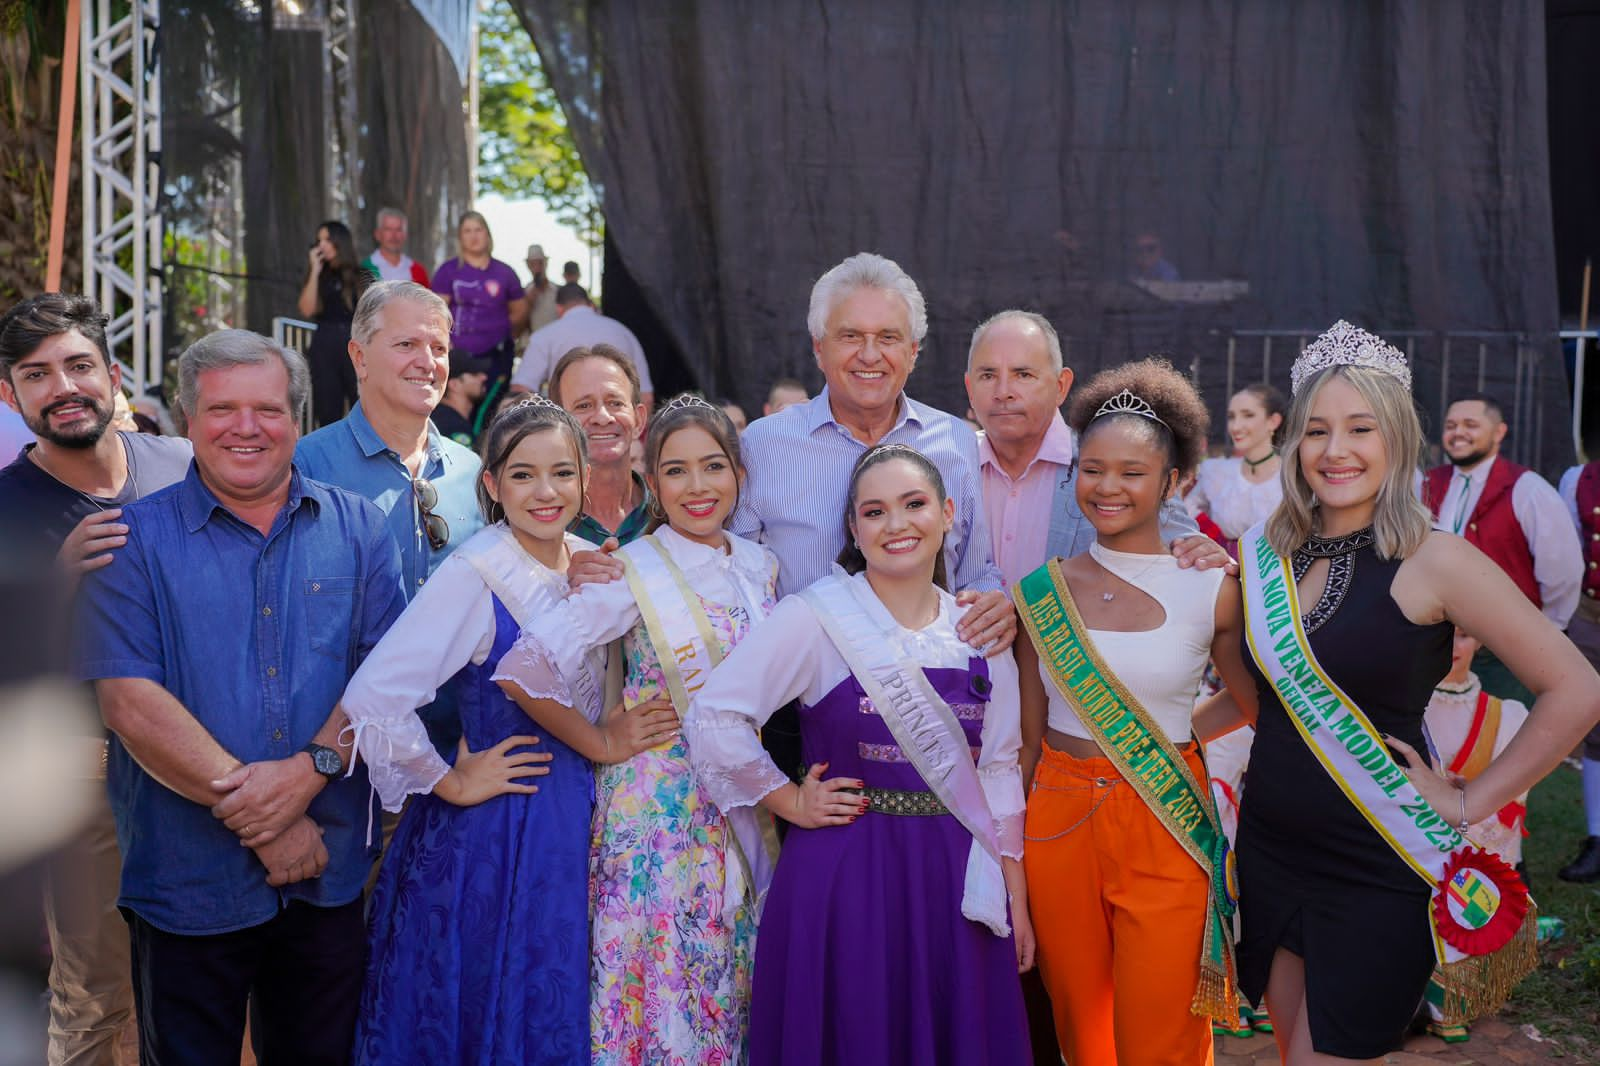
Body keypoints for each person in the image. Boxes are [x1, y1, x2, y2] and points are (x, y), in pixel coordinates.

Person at [1209, 321, 1598, 1063]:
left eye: (1360, 428)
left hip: (1376, 855)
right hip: (1271, 849)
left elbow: (1577, 688)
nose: (1336, 450)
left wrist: (1467, 801)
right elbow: (1255, 686)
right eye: (1317, 430)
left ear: (1395, 438)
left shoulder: (1437, 559)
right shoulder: (1267, 555)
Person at [74, 329, 408, 1065]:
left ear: (299, 418)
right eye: (223, 409)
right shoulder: (127, 541)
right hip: (188, 884)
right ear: (187, 420)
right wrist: (271, 821)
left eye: (268, 408)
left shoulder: (359, 530)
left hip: (329, 878)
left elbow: (388, 678)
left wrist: (308, 771)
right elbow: (130, 703)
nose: (246, 427)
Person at [343, 397, 670, 1064]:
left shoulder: (588, 559)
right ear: (490, 485)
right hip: (496, 829)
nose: (544, 492)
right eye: (522, 475)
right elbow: (374, 696)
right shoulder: (474, 573)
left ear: (584, 478)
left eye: (560, 473)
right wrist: (452, 781)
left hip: (580, 812)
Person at [684, 443, 1032, 1065]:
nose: (896, 524)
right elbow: (715, 714)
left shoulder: (979, 631)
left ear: (949, 512)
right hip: (845, 871)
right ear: (853, 528)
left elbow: (1000, 769)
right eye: (874, 512)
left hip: (956, 880)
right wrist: (786, 798)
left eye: (914, 504)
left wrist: (1017, 898)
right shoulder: (816, 618)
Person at [494, 394, 777, 1063]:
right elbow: (523, 666)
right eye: (676, 470)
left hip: (733, 805)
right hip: (656, 814)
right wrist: (601, 742)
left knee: (725, 984)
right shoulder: (630, 571)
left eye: (713, 466)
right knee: (659, 995)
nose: (698, 486)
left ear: (739, 472)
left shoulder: (760, 565)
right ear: (652, 480)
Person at [1012, 359, 1254, 1066]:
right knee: (1081, 1032)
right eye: (1092, 469)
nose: (1107, 488)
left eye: (1131, 472)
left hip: (1163, 816)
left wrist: (1172, 738)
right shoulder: (1038, 592)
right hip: (1055, 818)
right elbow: (1026, 741)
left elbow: (1250, 704)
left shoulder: (1211, 586)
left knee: (1163, 1033)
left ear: (1175, 480)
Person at [0, 293, 193, 1066]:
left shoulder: (182, 467)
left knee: (207, 983)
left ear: (113, 375)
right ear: (10, 395)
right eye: (36, 374)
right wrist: (57, 579)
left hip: (201, 768)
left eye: (78, 365)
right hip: (85, 783)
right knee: (94, 998)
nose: (63, 386)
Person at [296, 281, 484, 756]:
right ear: (359, 357)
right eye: (406, 344)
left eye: (438, 347)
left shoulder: (476, 473)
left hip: (454, 757)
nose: (428, 361)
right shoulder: (304, 468)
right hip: (340, 756)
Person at [1421, 393, 1581, 703]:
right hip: (1434, 645)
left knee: (1503, 736)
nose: (1458, 433)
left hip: (1504, 650)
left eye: (1471, 424)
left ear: (1499, 432)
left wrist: (1539, 633)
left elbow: (1563, 572)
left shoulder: (1528, 489)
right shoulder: (1424, 483)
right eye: (1451, 425)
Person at [1420, 626, 1531, 1042]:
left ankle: (1452, 995)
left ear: (1482, 640)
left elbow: (1517, 792)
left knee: (1467, 902)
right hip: (1413, 850)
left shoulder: (1508, 716)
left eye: (1464, 636)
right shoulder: (1405, 707)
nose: (1453, 647)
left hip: (1471, 856)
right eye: (1443, 634)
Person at [548, 344, 653, 546]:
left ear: (639, 420)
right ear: (557, 423)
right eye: (584, 406)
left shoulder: (669, 511)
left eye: (615, 403)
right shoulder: (542, 518)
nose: (603, 418)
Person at [1554, 459, 1600, 883]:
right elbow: (1570, 549)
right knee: (1594, 730)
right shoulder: (1578, 477)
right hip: (1590, 614)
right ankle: (1597, 839)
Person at [431, 211, 528, 410]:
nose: (473, 236)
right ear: (460, 237)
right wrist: (445, 344)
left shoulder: (505, 272)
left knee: (493, 411)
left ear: (488, 234)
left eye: (478, 230)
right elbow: (436, 312)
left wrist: (503, 333)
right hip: (457, 356)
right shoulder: (448, 270)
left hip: (496, 356)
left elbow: (520, 312)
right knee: (455, 410)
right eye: (467, 231)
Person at [511, 282, 655, 413]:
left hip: (566, 432)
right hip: (618, 431)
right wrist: (636, 437)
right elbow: (646, 397)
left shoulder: (544, 336)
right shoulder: (624, 332)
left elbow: (521, 390)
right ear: (590, 305)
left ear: (559, 308)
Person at [1186, 383, 1287, 553]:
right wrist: (1213, 538)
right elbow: (1187, 510)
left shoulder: (1292, 475)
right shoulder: (1217, 472)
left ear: (1273, 421)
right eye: (1231, 417)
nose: (1235, 427)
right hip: (1224, 569)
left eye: (1248, 415)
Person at [298, 220, 365, 428]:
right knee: (327, 408)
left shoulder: (360, 275)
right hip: (324, 344)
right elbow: (307, 309)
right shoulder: (319, 275)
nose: (321, 245)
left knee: (362, 402)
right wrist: (315, 271)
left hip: (355, 343)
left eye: (327, 239)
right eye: (319, 240)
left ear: (339, 241)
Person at [431, 348, 491, 448]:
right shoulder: (453, 426)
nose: (484, 377)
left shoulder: (439, 418)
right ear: (454, 384)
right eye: (474, 374)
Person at [361, 207, 431, 286]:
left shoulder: (418, 272)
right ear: (377, 234)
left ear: (405, 235)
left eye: (398, 230)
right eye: (388, 229)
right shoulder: (364, 270)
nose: (394, 235)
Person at [521, 243, 559, 336]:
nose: (537, 268)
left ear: (546, 263)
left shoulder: (558, 291)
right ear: (528, 266)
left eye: (540, 263)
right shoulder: (524, 293)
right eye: (533, 264)